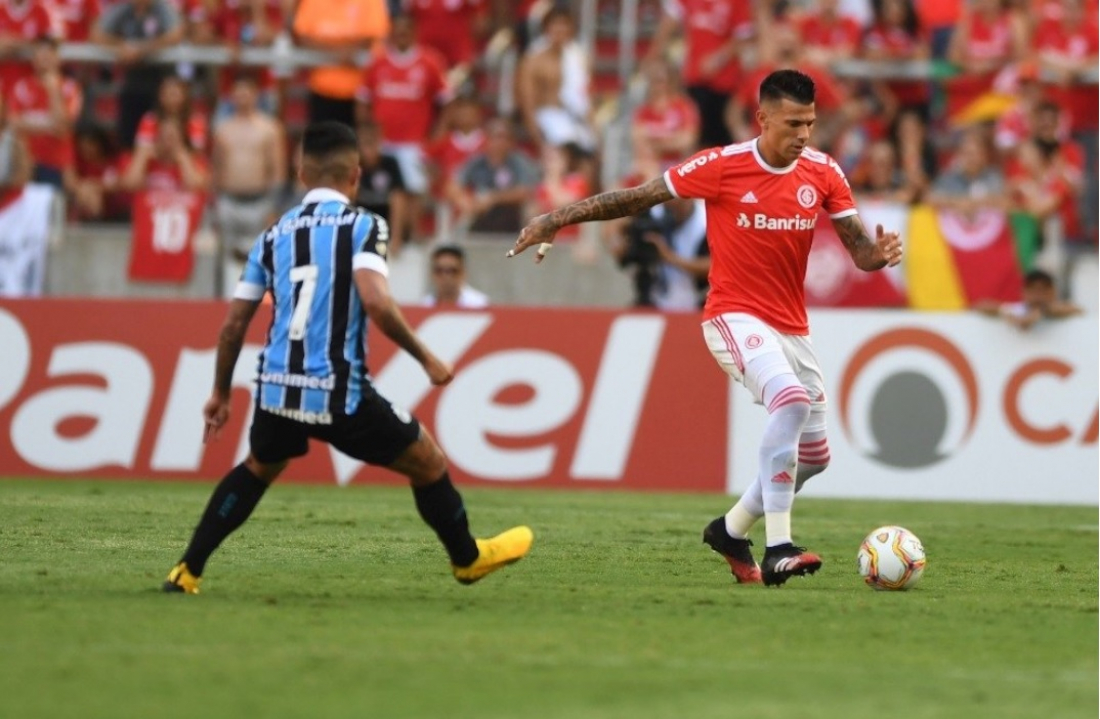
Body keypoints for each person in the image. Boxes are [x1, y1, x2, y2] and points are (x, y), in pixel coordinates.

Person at [510, 69, 903, 587]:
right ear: (762, 118)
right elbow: (638, 197)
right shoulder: (723, 165)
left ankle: (731, 528)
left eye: (809, 123)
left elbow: (859, 252)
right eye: (792, 124)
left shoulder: (824, 172)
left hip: (791, 325)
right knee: (790, 401)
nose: (803, 134)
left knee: (814, 457)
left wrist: (878, 256)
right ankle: (780, 547)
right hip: (732, 315)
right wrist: (558, 217)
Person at [162, 121, 531, 594]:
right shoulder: (364, 226)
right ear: (355, 176)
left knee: (258, 467)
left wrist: (219, 393)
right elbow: (376, 301)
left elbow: (234, 324)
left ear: (300, 174)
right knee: (429, 463)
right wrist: (427, 358)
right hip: (338, 391)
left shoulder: (273, 236)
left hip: (277, 388)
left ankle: (187, 570)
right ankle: (468, 558)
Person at [212, 73, 287, 297]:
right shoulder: (222, 129)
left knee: (262, 258)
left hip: (260, 202)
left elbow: (278, 170)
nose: (243, 96)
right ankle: (223, 298)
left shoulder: (270, 128)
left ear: (256, 95)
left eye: (247, 91)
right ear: (231, 96)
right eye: (238, 92)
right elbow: (216, 168)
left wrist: (274, 205)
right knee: (227, 257)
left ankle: (264, 301)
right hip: (228, 202)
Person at [610, 196, 710, 311]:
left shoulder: (705, 221)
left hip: (694, 303)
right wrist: (617, 242)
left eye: (676, 204)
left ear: (689, 198)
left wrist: (669, 257)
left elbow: (715, 266)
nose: (671, 209)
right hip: (654, 299)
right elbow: (615, 224)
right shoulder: (654, 213)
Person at [974, 268, 1083, 330]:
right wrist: (1005, 311)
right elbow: (980, 306)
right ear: (1024, 292)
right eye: (1033, 290)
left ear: (1053, 292)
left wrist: (1043, 311)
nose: (1038, 295)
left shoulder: (1062, 308)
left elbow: (1077, 310)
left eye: (1044, 290)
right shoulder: (1017, 310)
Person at [421, 244, 489, 308]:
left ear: (463, 273)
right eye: (439, 271)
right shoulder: (424, 305)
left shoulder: (479, 304)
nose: (446, 276)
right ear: (432, 274)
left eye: (452, 271)